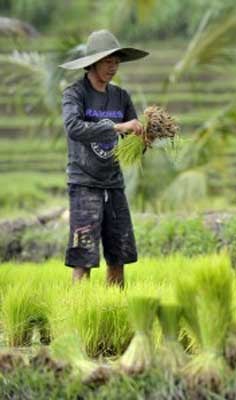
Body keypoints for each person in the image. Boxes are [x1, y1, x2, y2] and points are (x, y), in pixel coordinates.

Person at [59, 29, 149, 287]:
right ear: (93, 63)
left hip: (113, 184)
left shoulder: (121, 96)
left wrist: (144, 137)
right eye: (108, 61)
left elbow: (133, 140)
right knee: (83, 257)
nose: (113, 67)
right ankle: (80, 312)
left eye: (116, 61)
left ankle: (114, 312)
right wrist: (117, 127)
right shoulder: (75, 94)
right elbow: (73, 128)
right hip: (84, 183)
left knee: (118, 255)